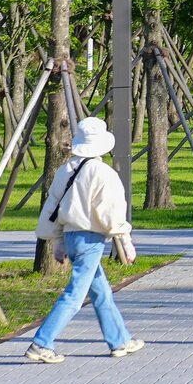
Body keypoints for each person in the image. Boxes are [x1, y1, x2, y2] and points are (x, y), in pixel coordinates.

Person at [27, 117, 142, 364]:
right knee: (75, 295)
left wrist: (58, 243)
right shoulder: (103, 173)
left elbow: (54, 206)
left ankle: (120, 341)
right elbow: (113, 212)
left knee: (101, 291)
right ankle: (41, 342)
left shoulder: (65, 170)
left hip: (70, 236)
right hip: (90, 239)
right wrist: (126, 242)